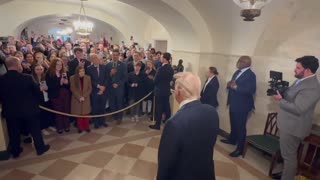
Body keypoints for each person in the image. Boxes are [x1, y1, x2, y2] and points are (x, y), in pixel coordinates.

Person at [157, 72, 219, 180]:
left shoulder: (174, 122)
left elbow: (166, 162)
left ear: (178, 92)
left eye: (174, 90)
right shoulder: (212, 112)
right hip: (206, 173)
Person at [272, 56, 320, 180]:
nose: (295, 70)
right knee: (287, 155)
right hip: (288, 124)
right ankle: (285, 174)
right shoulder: (302, 80)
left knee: (289, 157)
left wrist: (280, 100)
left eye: (298, 68)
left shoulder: (312, 87)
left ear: (308, 70)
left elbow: (298, 108)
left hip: (294, 128)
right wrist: (282, 91)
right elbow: (293, 96)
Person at [0, 57, 50, 158]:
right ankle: (40, 149)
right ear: (17, 65)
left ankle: (16, 151)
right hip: (29, 110)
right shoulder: (27, 78)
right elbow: (37, 92)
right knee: (35, 130)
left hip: (11, 112)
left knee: (14, 132)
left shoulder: (1, 79)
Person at [220, 56, 256, 157]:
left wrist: (235, 87)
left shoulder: (251, 75)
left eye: (239, 61)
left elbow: (251, 90)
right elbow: (232, 83)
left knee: (240, 127)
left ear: (245, 63)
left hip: (242, 106)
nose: (238, 62)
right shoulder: (237, 72)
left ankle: (240, 149)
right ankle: (232, 140)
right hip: (233, 103)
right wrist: (229, 84)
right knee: (234, 123)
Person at [149, 52, 174, 130]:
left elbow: (155, 80)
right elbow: (170, 79)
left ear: (165, 59)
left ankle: (157, 125)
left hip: (159, 91)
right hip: (166, 90)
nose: (160, 58)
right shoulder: (171, 68)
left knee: (159, 108)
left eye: (161, 57)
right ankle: (168, 123)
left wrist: (152, 78)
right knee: (167, 107)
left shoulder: (161, 69)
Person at [86, 53, 109, 128]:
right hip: (95, 91)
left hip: (104, 91)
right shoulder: (89, 68)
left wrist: (103, 87)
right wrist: (99, 86)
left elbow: (106, 78)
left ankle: (103, 121)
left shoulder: (104, 67)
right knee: (95, 108)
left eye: (97, 58)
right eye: (94, 58)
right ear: (92, 60)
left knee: (102, 107)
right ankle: (96, 123)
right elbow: (90, 80)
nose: (96, 59)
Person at [106, 49, 127, 124]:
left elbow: (125, 77)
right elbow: (106, 77)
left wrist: (118, 84)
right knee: (112, 103)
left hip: (119, 88)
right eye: (113, 55)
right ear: (111, 56)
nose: (114, 56)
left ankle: (119, 117)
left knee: (119, 103)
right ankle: (114, 116)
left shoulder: (123, 65)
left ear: (118, 56)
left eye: (116, 55)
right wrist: (110, 74)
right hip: (111, 88)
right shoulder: (108, 65)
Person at [70, 66, 92, 133]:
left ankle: (86, 126)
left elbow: (90, 89)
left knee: (86, 114)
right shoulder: (72, 78)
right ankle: (80, 127)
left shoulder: (88, 78)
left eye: (83, 71)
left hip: (85, 98)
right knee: (79, 114)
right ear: (77, 72)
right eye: (80, 71)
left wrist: (84, 96)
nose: (82, 72)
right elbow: (72, 89)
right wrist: (79, 97)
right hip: (77, 98)